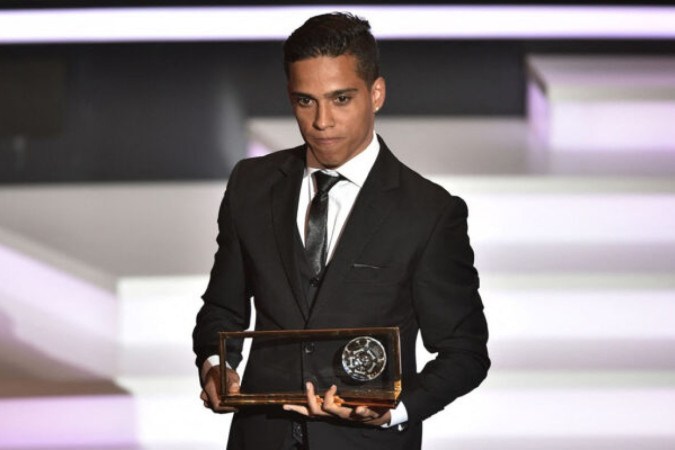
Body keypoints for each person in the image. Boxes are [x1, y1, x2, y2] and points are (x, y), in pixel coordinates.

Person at [193, 12, 489, 450]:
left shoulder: (429, 212)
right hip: (260, 437)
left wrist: (394, 410)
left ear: (377, 94)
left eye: (341, 99)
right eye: (305, 101)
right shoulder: (250, 186)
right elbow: (222, 308)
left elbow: (465, 352)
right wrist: (217, 365)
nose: (322, 121)